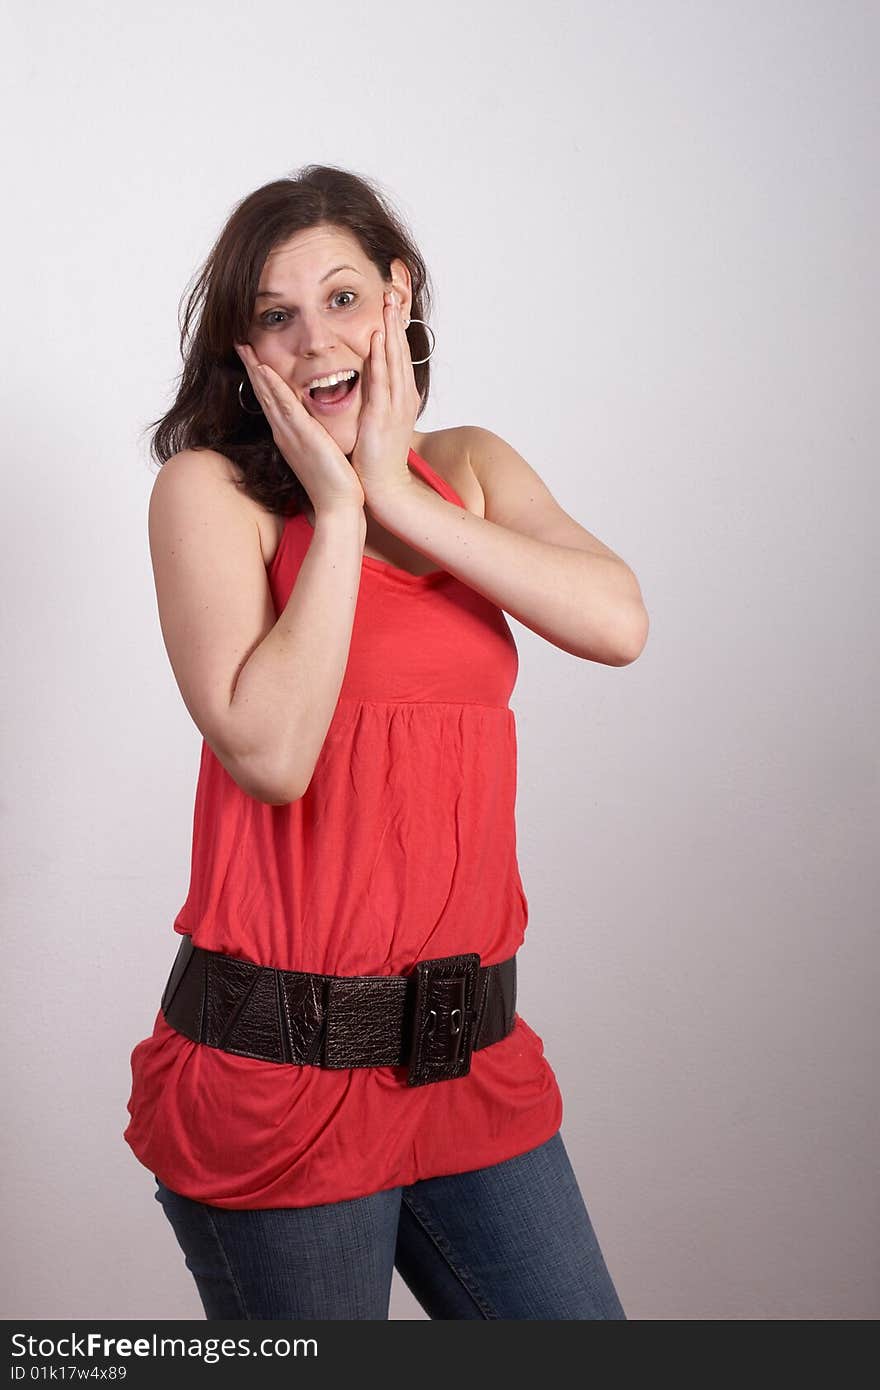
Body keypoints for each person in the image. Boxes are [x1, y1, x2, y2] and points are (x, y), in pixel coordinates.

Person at [124, 163, 647, 1321]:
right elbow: (269, 752)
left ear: (397, 298)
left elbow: (616, 624)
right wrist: (342, 516)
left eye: (344, 297)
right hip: (282, 1073)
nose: (319, 338)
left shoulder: (468, 469)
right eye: (277, 314)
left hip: (470, 1068)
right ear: (245, 347)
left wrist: (397, 495)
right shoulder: (210, 493)